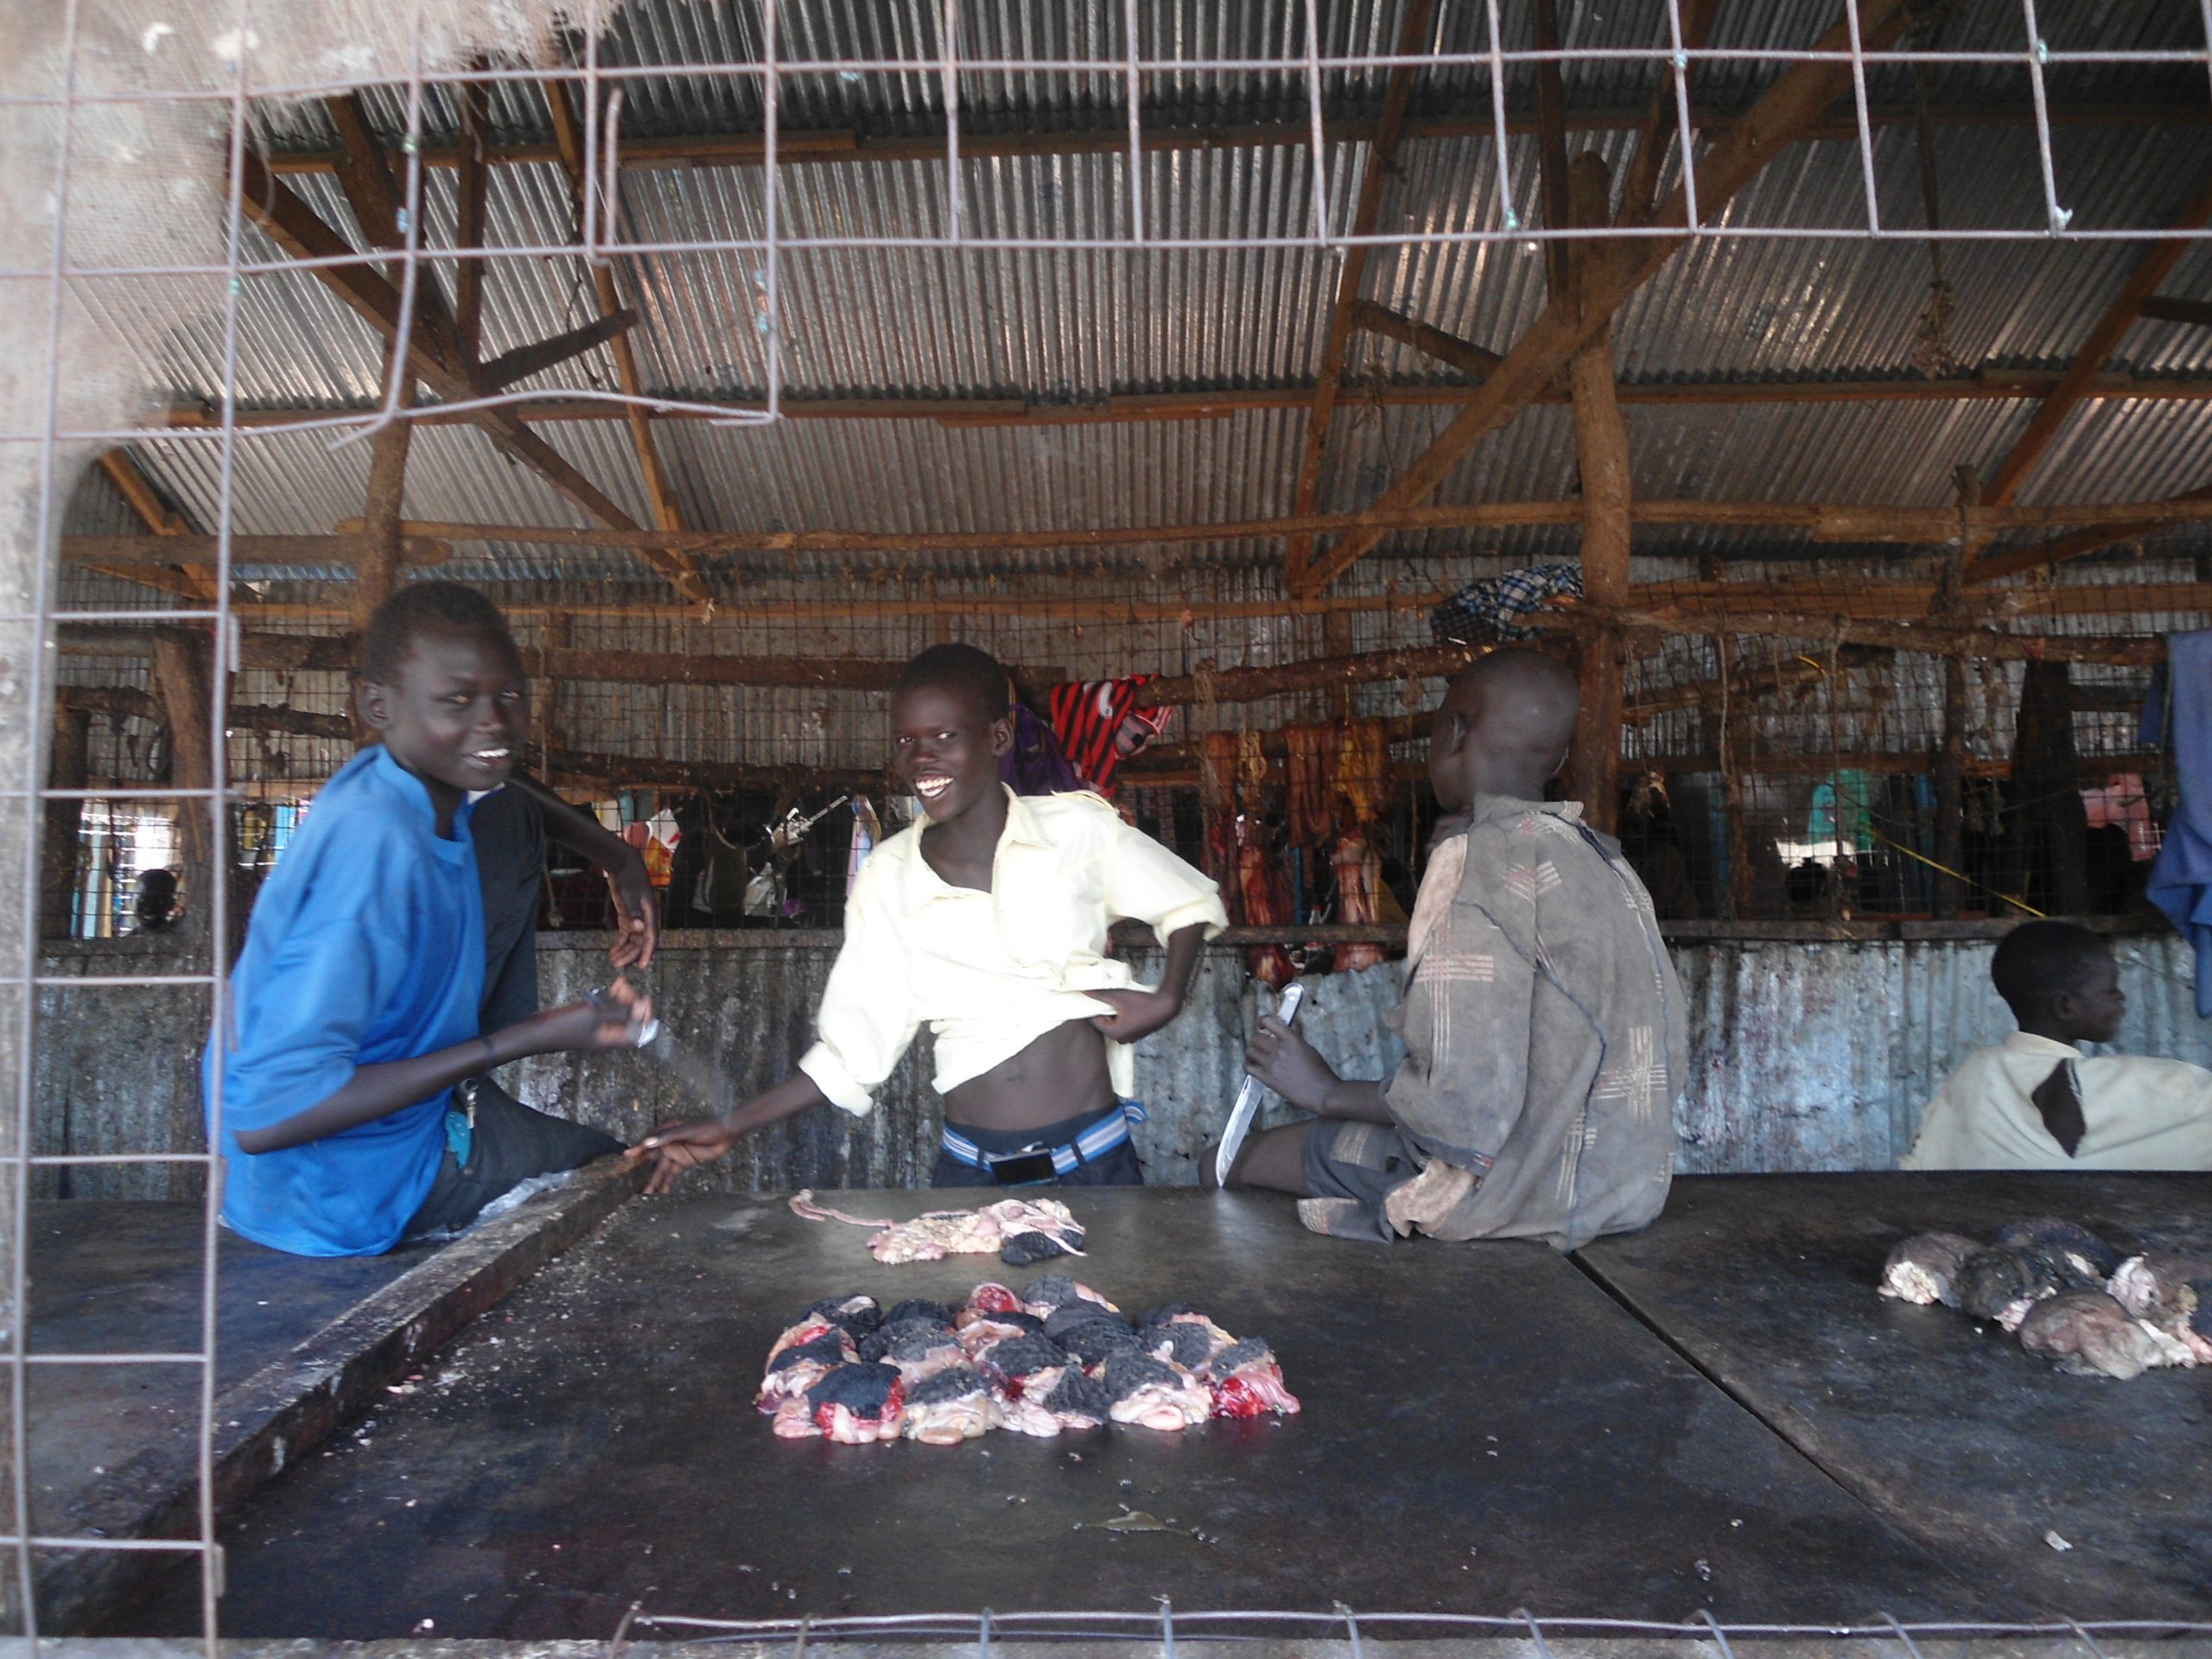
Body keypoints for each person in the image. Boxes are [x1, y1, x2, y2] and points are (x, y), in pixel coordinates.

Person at [632, 643, 1228, 1191]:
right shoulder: (889, 877)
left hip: (1095, 1164)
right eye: (905, 741)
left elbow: (1188, 902)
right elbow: (851, 1051)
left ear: (998, 737)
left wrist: (1169, 995)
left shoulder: (1076, 829)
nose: (923, 758)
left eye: (944, 735)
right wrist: (733, 1124)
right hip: (968, 1172)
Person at [204, 582, 652, 1257]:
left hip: (375, 1134)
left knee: (510, 815)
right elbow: (271, 1117)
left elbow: (504, 779)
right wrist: (526, 1038)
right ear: (376, 704)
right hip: (332, 1188)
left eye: (509, 696)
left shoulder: (420, 785)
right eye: (457, 702)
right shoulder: (376, 852)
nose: (496, 725)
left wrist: (617, 857)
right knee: (609, 1172)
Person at [1210, 649, 1686, 1250]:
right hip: (1619, 1190)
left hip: (1506, 1196)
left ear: (1452, 732)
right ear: (1560, 758)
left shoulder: (1472, 861)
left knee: (1226, 1163)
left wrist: (1323, 1090)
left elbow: (1460, 1106)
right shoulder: (1608, 863)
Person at [1900, 920, 2212, 1170]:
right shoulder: (2158, 1086)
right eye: (2111, 989)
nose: (2121, 997)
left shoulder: (1973, 1075)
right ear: (2064, 1007)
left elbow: (1926, 1163)